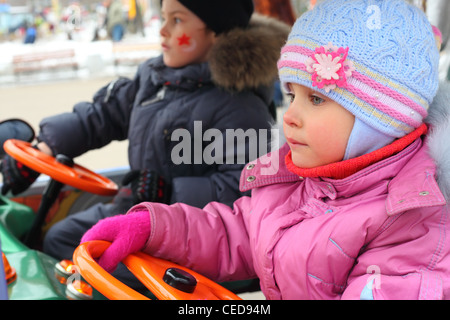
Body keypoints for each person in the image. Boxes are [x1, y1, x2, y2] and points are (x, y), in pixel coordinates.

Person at [81, 0, 450, 299]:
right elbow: (238, 234)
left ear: (380, 118)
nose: (289, 116)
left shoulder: (410, 224)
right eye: (292, 95)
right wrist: (155, 227)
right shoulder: (302, 181)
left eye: (316, 99)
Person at [0, 0, 289, 287]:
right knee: (60, 238)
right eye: (163, 18)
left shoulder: (240, 108)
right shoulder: (155, 78)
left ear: (217, 32)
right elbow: (104, 114)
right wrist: (46, 146)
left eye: (176, 21)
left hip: (184, 239)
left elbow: (243, 192)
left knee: (87, 262)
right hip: (134, 208)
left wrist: (168, 192)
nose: (162, 30)